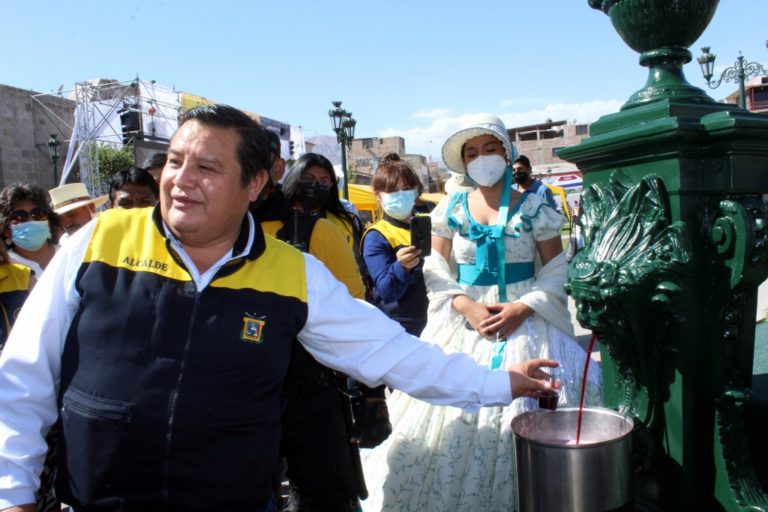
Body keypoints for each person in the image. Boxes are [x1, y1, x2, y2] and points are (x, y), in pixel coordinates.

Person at [0, 105, 558, 512]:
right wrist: (13, 495)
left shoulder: (292, 273)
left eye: (207, 168)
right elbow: (24, 375)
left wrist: (500, 384)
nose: (180, 181)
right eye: (173, 161)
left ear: (255, 182)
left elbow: (388, 352)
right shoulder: (98, 241)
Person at [361, 114, 602, 511]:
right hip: (464, 321)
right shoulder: (449, 209)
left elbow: (557, 268)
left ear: (506, 153)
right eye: (471, 152)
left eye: (490, 148)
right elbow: (436, 268)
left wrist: (524, 307)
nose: (481, 158)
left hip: (527, 320)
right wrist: (465, 305)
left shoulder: (537, 207)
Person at [253, 131, 373, 511]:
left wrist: (372, 392)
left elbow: (358, 312)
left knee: (327, 496)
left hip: (311, 390)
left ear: (275, 169)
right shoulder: (208, 235)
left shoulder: (318, 230)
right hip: (238, 396)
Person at [361, 154, 428, 336]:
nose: (400, 195)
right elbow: (386, 291)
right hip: (401, 329)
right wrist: (401, 268)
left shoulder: (429, 224)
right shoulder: (376, 236)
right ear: (378, 196)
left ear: (415, 191)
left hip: (438, 321)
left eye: (406, 189)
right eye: (392, 191)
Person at [281, 153, 363, 253]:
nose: (315, 185)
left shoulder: (345, 224)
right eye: (308, 178)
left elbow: (357, 266)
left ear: (331, 185)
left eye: (323, 181)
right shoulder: (275, 219)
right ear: (295, 179)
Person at [0, 184, 59, 277]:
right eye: (20, 216)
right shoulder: (4, 269)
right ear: (6, 230)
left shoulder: (70, 254)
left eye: (38, 214)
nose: (31, 221)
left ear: (49, 222)